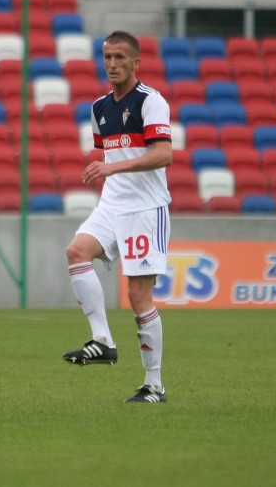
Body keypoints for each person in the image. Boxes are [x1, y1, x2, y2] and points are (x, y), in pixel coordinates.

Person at [61, 30, 173, 403]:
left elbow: (163, 155)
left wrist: (112, 168)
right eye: (107, 57)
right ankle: (103, 341)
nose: (112, 64)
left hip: (145, 209)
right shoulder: (99, 109)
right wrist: (110, 170)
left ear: (136, 62)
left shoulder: (151, 102)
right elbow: (111, 155)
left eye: (120, 57)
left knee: (138, 295)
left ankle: (154, 385)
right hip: (112, 205)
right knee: (76, 251)